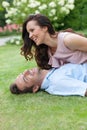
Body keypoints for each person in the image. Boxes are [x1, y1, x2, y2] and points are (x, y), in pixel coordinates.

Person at [21, 13, 87, 70]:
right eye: (29, 33)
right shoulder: (46, 51)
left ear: (45, 28)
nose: (30, 36)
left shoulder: (68, 40)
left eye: (32, 30)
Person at [10, 63, 87, 97]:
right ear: (35, 88)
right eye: (26, 78)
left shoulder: (49, 68)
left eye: (22, 73)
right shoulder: (56, 82)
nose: (26, 71)